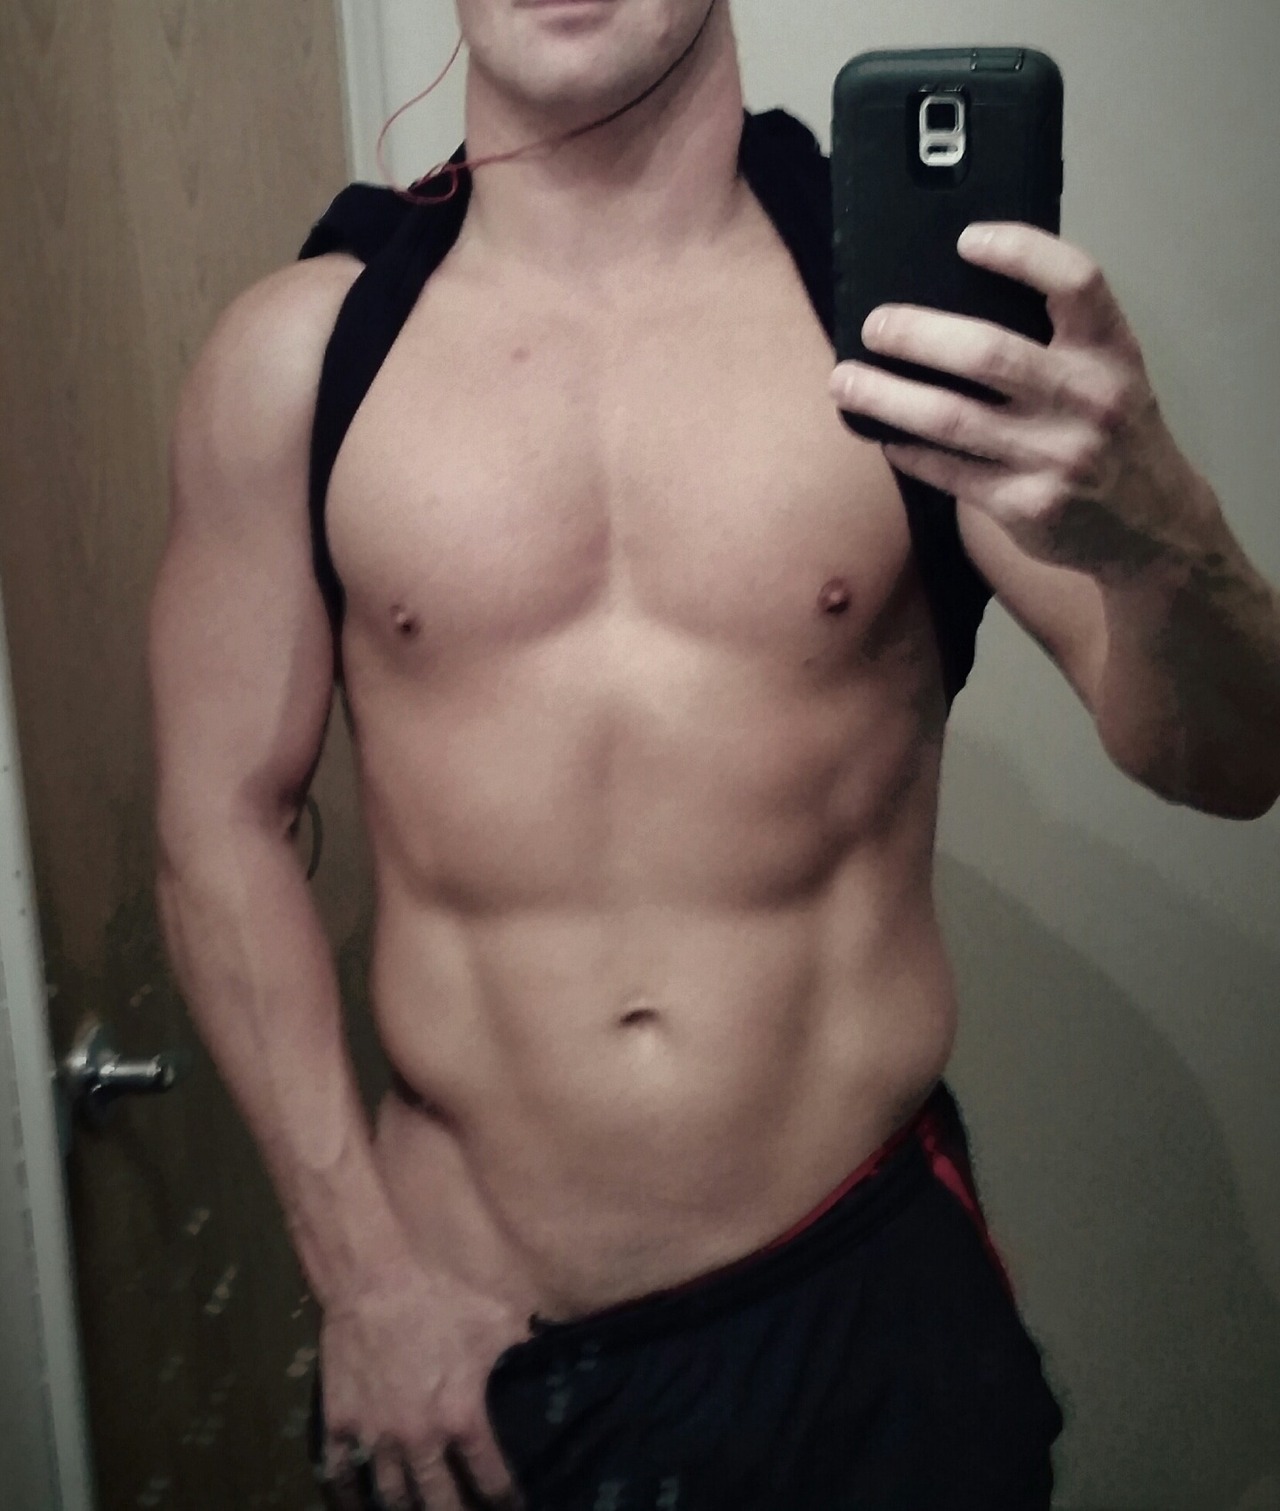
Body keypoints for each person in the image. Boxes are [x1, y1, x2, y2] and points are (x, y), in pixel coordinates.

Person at [147, 2, 1280, 1508]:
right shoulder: (304, 354)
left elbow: (1231, 762)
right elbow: (216, 823)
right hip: (468, 1350)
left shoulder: (910, 320)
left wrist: (1168, 537)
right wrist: (361, 1278)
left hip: (857, 1315)